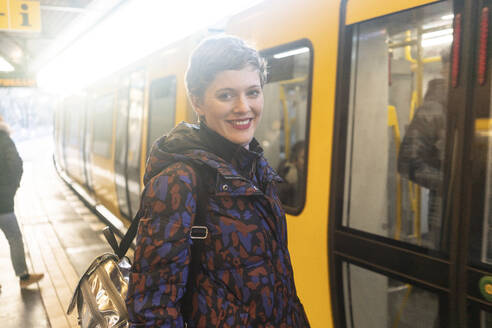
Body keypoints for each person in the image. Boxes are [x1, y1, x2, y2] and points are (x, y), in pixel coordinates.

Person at [126, 35, 310, 327]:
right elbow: (152, 306)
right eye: (226, 95)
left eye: (253, 92)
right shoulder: (179, 182)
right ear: (197, 101)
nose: (243, 107)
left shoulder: (256, 166)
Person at [397, 50, 449, 249]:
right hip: (447, 217)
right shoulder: (434, 108)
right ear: (445, 69)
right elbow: (407, 161)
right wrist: (451, 184)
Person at [0, 116, 44, 289]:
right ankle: (24, 277)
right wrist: (11, 189)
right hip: (3, 204)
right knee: (14, 238)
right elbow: (17, 165)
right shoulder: (4, 140)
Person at [277, 141, 306, 207]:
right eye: (303, 158)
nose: (307, 161)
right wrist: (288, 184)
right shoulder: (285, 173)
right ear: (295, 160)